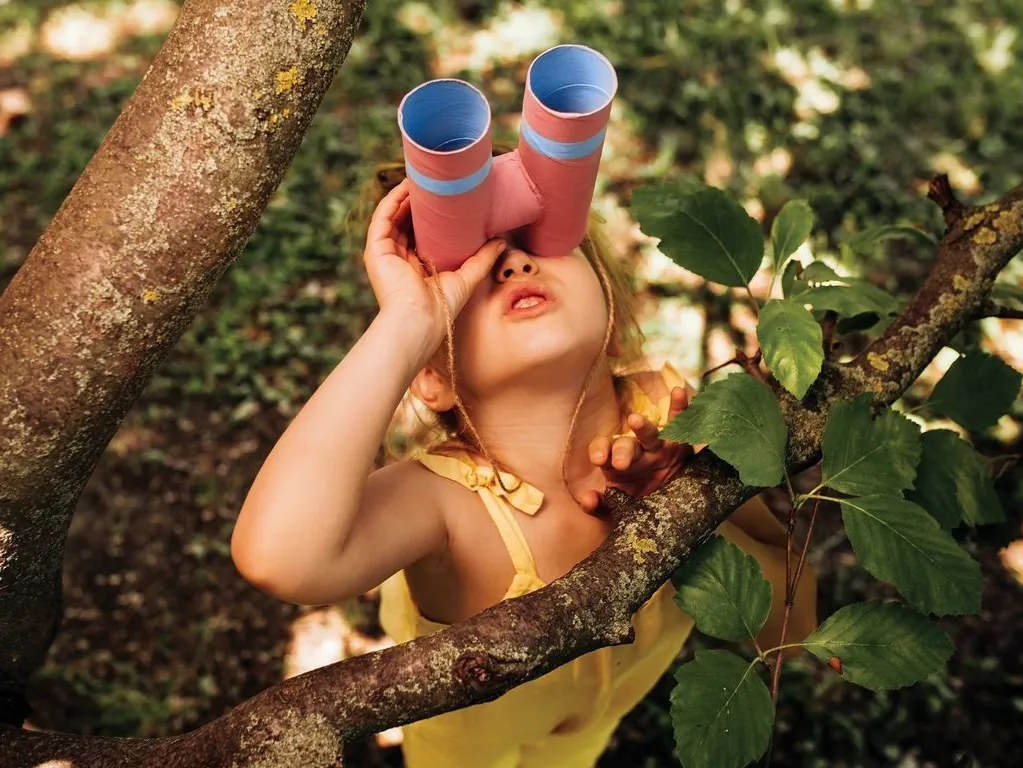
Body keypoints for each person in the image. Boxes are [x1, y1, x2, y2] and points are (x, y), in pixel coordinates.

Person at [231, 154, 818, 768]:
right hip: (466, 748)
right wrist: (407, 322)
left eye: (539, 238)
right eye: (466, 269)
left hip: (600, 719)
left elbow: (793, 627)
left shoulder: (673, 418)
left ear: (610, 312)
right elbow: (278, 557)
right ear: (430, 376)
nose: (512, 263)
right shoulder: (446, 507)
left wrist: (678, 515)